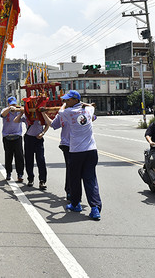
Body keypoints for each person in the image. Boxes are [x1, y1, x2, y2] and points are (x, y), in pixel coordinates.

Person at [55, 90, 102, 220]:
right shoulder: (89, 110)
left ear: (75, 100)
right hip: (91, 150)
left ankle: (76, 204)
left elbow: (60, 112)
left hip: (76, 152)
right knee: (90, 179)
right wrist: (82, 103)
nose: (65, 102)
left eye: (68, 100)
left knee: (75, 178)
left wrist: (64, 105)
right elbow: (90, 106)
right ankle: (95, 208)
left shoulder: (68, 112)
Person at [15, 108, 49, 190]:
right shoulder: (27, 115)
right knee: (29, 159)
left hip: (39, 138)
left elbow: (47, 124)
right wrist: (21, 113)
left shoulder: (41, 114)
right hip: (29, 138)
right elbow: (16, 121)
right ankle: (30, 178)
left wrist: (43, 133)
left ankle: (42, 180)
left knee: (40, 159)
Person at [0, 97, 25, 182]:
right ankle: (8, 173)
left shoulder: (19, 110)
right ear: (8, 104)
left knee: (19, 156)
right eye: (11, 104)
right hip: (7, 137)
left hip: (17, 136)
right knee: (8, 156)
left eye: (14, 104)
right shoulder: (5, 110)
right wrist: (9, 109)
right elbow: (2, 114)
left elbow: (25, 110)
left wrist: (18, 109)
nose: (13, 106)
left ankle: (20, 174)